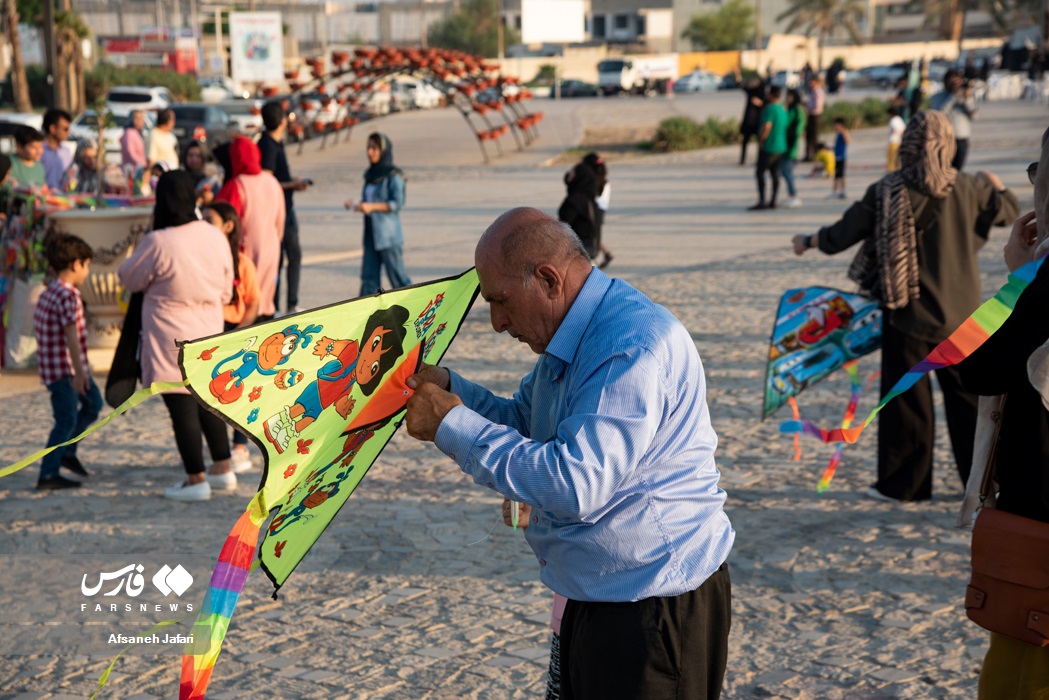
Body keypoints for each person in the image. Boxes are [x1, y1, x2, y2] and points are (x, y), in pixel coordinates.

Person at [404, 207, 734, 698]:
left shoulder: (629, 345)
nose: (496, 323)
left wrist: (452, 425)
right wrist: (453, 391)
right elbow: (527, 422)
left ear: (548, 279)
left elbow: (577, 483)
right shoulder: (575, 333)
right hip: (599, 596)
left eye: (501, 301)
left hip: (653, 607)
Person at [790, 111, 1020, 502]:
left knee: (908, 410)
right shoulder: (968, 188)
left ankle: (905, 486)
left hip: (908, 319)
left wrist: (808, 239)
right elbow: (1010, 212)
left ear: (908, 146)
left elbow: (841, 235)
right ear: (948, 145)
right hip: (965, 323)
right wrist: (998, 187)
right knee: (970, 408)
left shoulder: (887, 190)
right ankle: (982, 483)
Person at [956, 129, 1049, 700]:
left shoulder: (1043, 285)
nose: (1033, 184)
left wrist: (1017, 277)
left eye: (1040, 173)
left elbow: (976, 366)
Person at [118, 171, 236, 501]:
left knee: (181, 405)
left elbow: (130, 278)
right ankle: (222, 467)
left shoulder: (159, 241)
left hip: (169, 336)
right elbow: (227, 290)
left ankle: (195, 478)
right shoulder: (214, 235)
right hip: (209, 331)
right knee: (208, 401)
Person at [32, 233, 103, 490]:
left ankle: (68, 452)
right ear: (75, 264)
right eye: (86, 264)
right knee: (65, 420)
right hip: (65, 372)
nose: (87, 270)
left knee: (93, 403)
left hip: (57, 369)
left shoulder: (49, 292)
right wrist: (80, 374)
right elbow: (71, 336)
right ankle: (48, 472)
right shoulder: (66, 295)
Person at [204, 200, 259, 474]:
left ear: (228, 226)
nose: (203, 225)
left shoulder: (243, 263)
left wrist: (242, 332)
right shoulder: (202, 260)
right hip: (208, 328)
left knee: (238, 389)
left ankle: (239, 446)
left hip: (236, 330)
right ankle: (218, 448)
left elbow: (253, 303)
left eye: (209, 220)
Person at [215, 135, 285, 321]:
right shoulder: (273, 182)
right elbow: (280, 223)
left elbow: (222, 223)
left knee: (246, 302)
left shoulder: (236, 185)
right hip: (271, 249)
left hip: (245, 252)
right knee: (264, 299)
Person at [258, 100, 311, 316]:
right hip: (276, 212)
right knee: (277, 259)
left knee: (294, 254)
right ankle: (276, 306)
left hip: (286, 208)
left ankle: (291, 304)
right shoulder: (267, 146)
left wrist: (292, 181)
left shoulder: (275, 142)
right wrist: (292, 185)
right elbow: (266, 182)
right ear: (281, 121)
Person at [344, 133, 411, 297]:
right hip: (370, 235)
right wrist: (357, 204)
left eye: (375, 148)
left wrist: (371, 206)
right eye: (368, 148)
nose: (370, 152)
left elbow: (397, 204)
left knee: (398, 279)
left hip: (388, 236)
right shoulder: (370, 175)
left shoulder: (393, 176)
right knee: (369, 280)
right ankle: (366, 317)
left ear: (383, 150)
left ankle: (415, 307)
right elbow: (369, 201)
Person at [930, 70, 977, 170]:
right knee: (944, 169)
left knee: (958, 170)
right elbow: (940, 113)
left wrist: (967, 99)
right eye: (953, 83)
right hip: (944, 138)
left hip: (961, 138)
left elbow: (974, 116)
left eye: (958, 82)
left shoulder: (964, 96)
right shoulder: (937, 97)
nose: (956, 85)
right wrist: (953, 96)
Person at [750, 85, 787, 210]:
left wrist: (761, 139)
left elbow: (767, 125)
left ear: (771, 95)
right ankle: (773, 200)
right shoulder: (782, 109)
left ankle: (762, 201)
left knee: (760, 173)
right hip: (781, 145)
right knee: (775, 173)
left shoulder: (769, 109)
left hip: (769, 146)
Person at [558, 161, 600, 259]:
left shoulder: (575, 200)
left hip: (575, 250)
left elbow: (564, 224)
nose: (569, 175)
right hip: (589, 248)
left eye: (572, 173)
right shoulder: (590, 198)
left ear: (579, 177)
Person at [582, 152, 614, 269]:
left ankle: (598, 256)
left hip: (595, 211)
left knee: (592, 235)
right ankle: (606, 253)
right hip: (602, 210)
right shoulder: (605, 180)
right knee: (594, 234)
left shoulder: (593, 182)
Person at [781, 88, 806, 208]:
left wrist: (793, 140)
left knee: (787, 172)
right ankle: (790, 194)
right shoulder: (789, 108)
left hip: (790, 145)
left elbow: (798, 126)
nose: (787, 98)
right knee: (786, 172)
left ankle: (794, 195)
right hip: (784, 143)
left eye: (790, 96)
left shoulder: (797, 109)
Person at [40, 108, 73, 191]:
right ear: (53, 129)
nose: (69, 132)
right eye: (65, 129)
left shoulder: (66, 152)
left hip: (62, 199)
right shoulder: (38, 151)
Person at [739, 76, 766, 166]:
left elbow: (767, 104)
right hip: (748, 121)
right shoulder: (751, 92)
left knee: (759, 142)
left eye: (757, 82)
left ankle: (759, 160)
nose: (755, 83)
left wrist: (760, 103)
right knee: (745, 141)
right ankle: (742, 160)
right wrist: (738, 76)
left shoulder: (762, 94)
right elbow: (741, 86)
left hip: (758, 122)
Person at [803, 75, 824, 161]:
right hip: (810, 115)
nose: (810, 84)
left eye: (812, 82)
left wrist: (807, 104)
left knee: (814, 137)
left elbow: (817, 106)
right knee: (808, 136)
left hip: (815, 116)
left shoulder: (817, 92)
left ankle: (815, 155)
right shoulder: (812, 91)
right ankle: (808, 155)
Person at [830, 117, 850, 199]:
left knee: (838, 176)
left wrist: (845, 133)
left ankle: (836, 192)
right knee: (839, 176)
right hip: (837, 157)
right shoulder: (838, 134)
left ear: (840, 125)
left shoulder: (843, 133)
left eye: (836, 125)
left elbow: (848, 141)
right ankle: (842, 191)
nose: (834, 127)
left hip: (841, 158)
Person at [886, 107, 906, 172]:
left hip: (893, 141)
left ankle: (890, 171)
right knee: (897, 158)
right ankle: (898, 170)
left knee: (891, 157)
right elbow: (903, 130)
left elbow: (895, 129)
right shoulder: (899, 119)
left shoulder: (893, 120)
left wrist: (894, 134)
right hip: (899, 141)